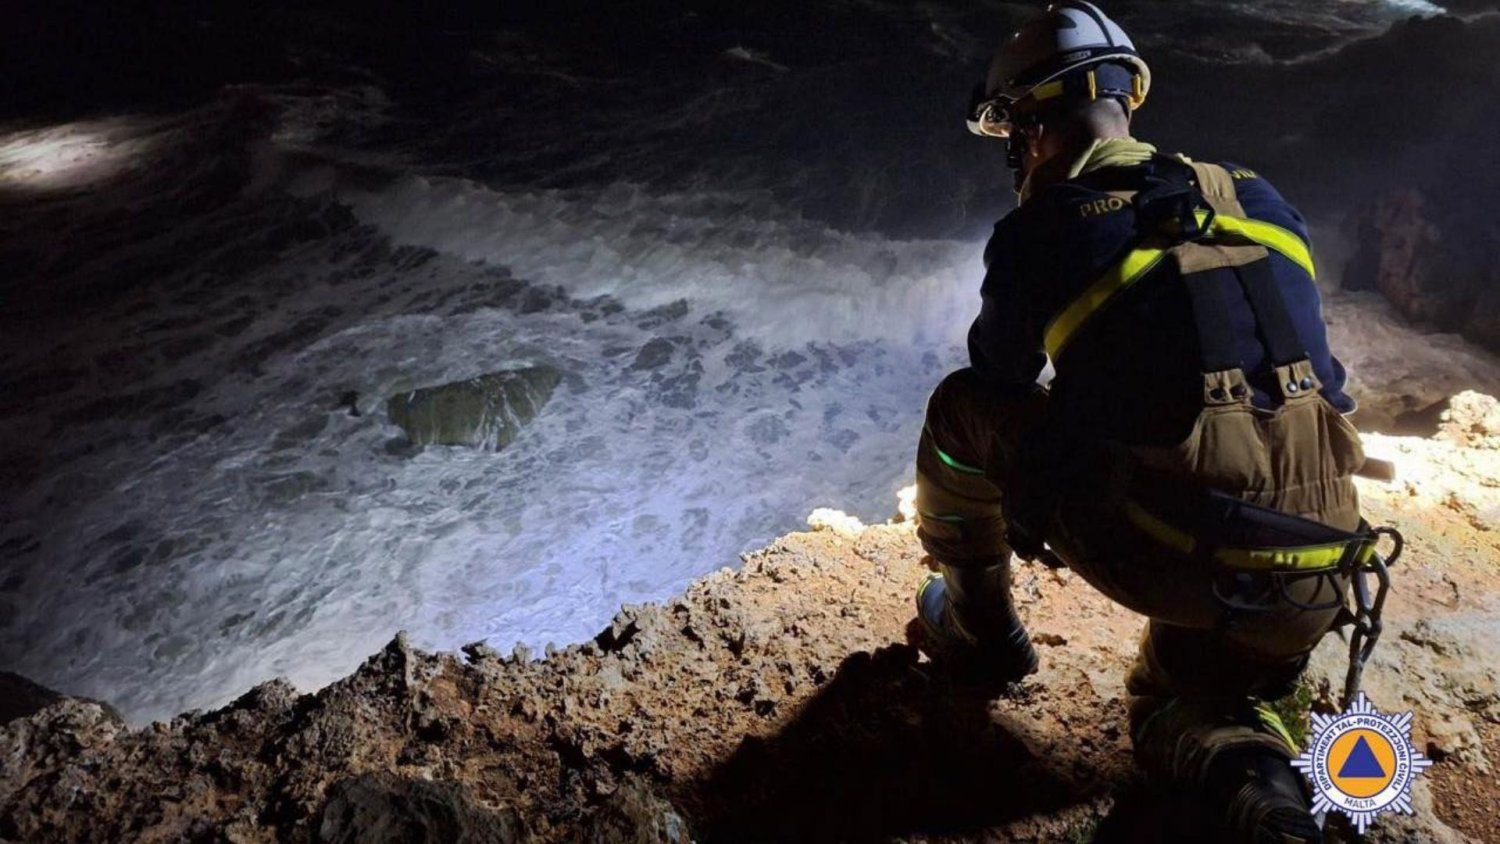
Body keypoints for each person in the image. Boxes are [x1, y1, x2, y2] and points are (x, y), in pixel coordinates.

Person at [910, 3, 1377, 841]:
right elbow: (1324, 384)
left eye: (1014, 131)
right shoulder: (1259, 194)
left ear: (1030, 126)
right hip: (1319, 565)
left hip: (1168, 553)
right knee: (1192, 700)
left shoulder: (1040, 228)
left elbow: (998, 375)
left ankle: (982, 631)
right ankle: (1261, 792)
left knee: (961, 409)